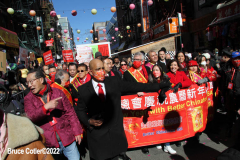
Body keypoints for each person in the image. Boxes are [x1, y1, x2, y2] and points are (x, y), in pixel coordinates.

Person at [75, 59, 171, 160]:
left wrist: (159, 86)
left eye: (103, 68)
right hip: (97, 137)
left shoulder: (114, 81)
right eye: (98, 69)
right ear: (90, 71)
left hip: (115, 135)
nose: (102, 71)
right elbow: (80, 110)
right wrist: (89, 121)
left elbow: (136, 86)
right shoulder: (83, 90)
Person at [24, 69, 83, 160]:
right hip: (49, 143)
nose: (29, 85)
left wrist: (77, 131)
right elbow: (31, 116)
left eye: (31, 82)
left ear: (41, 80)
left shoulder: (57, 92)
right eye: (27, 83)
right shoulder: (28, 99)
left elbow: (70, 112)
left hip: (67, 138)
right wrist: (45, 108)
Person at [148, 65, 177, 154]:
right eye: (154, 70)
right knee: (157, 125)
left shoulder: (166, 80)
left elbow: (169, 86)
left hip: (164, 106)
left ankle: (167, 145)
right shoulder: (150, 81)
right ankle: (159, 141)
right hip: (155, 108)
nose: (155, 71)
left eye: (157, 70)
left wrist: (163, 91)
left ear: (161, 71)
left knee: (165, 125)